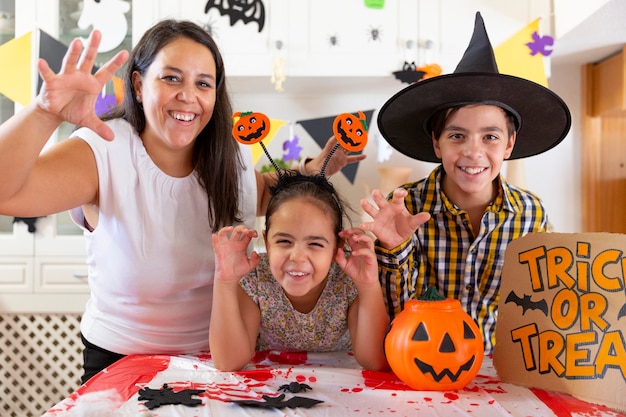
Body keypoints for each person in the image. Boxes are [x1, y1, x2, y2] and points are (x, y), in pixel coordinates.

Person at [0, 20, 363, 383]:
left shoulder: (226, 156)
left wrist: (310, 172)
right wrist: (44, 113)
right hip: (122, 363)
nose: (188, 95)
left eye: (203, 83)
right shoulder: (105, 148)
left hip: (221, 360)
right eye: (172, 78)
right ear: (139, 85)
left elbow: (263, 192)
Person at [360, 12, 571, 353]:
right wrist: (393, 249)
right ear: (436, 143)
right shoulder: (404, 209)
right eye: (457, 136)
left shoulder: (531, 214)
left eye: (490, 136)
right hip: (418, 362)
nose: (474, 152)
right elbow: (389, 314)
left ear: (509, 145)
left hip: (499, 368)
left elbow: (542, 304)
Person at [210, 171, 389, 372]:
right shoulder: (257, 280)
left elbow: (375, 362)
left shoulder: (349, 280)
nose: (297, 256)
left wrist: (368, 286)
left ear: (336, 246)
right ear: (267, 243)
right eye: (284, 241)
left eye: (315, 244)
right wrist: (225, 282)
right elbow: (228, 362)